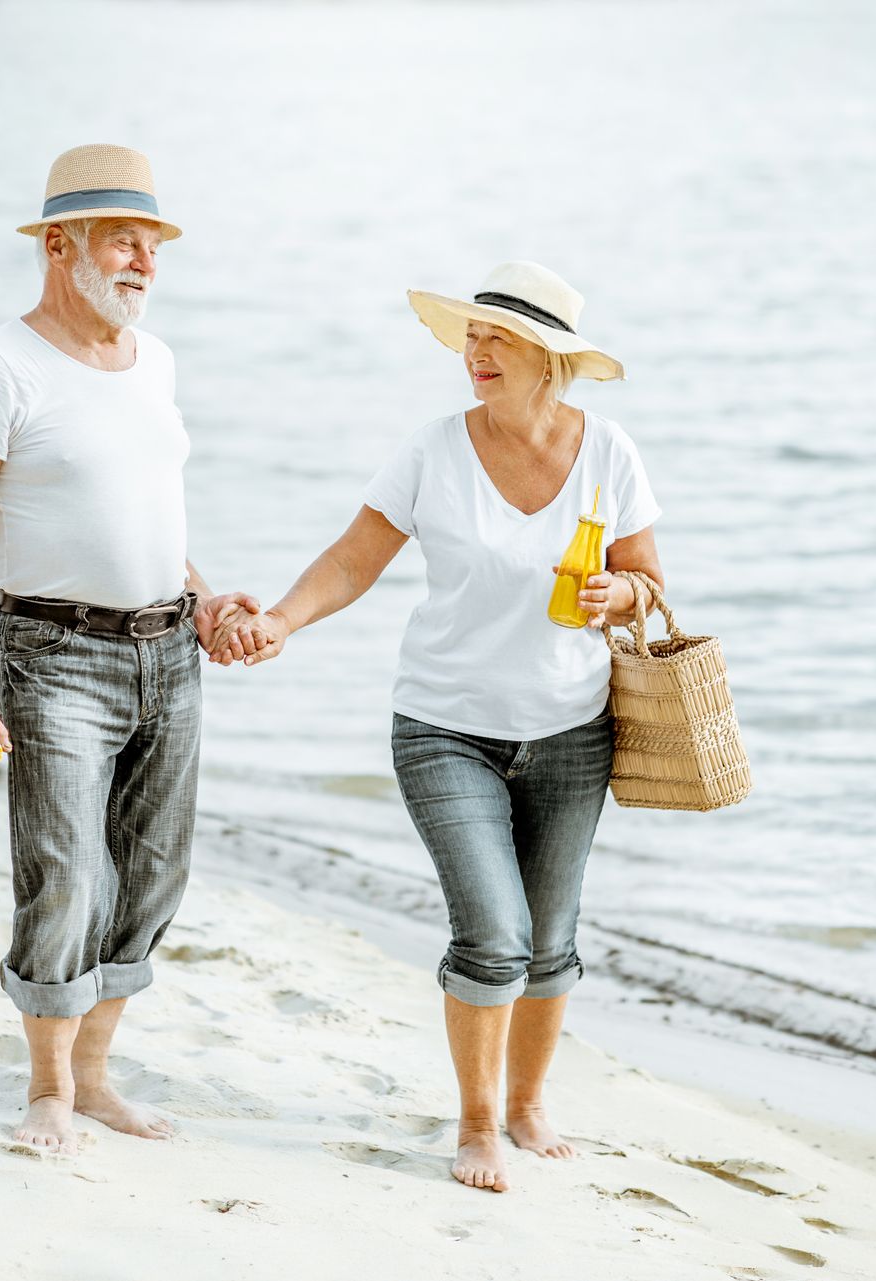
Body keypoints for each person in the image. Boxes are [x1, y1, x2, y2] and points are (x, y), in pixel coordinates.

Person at [211, 262, 664, 1192]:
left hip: (574, 731)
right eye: (472, 334)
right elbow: (354, 556)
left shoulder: (609, 453)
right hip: (444, 727)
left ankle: (530, 1106)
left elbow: (650, 583)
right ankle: (477, 1125)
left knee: (550, 937)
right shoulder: (432, 452)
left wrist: (622, 591)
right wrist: (281, 621)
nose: (476, 351)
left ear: (549, 358)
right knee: (493, 933)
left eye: (497, 338)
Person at [0, 143, 259, 1156]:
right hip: (53, 656)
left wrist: (206, 596)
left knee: (153, 874)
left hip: (171, 653)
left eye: (152, 244)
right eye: (124, 240)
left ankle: (98, 1073)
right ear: (60, 245)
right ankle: (47, 1091)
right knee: (67, 871)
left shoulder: (154, 361)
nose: (144, 263)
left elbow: (147, 512)